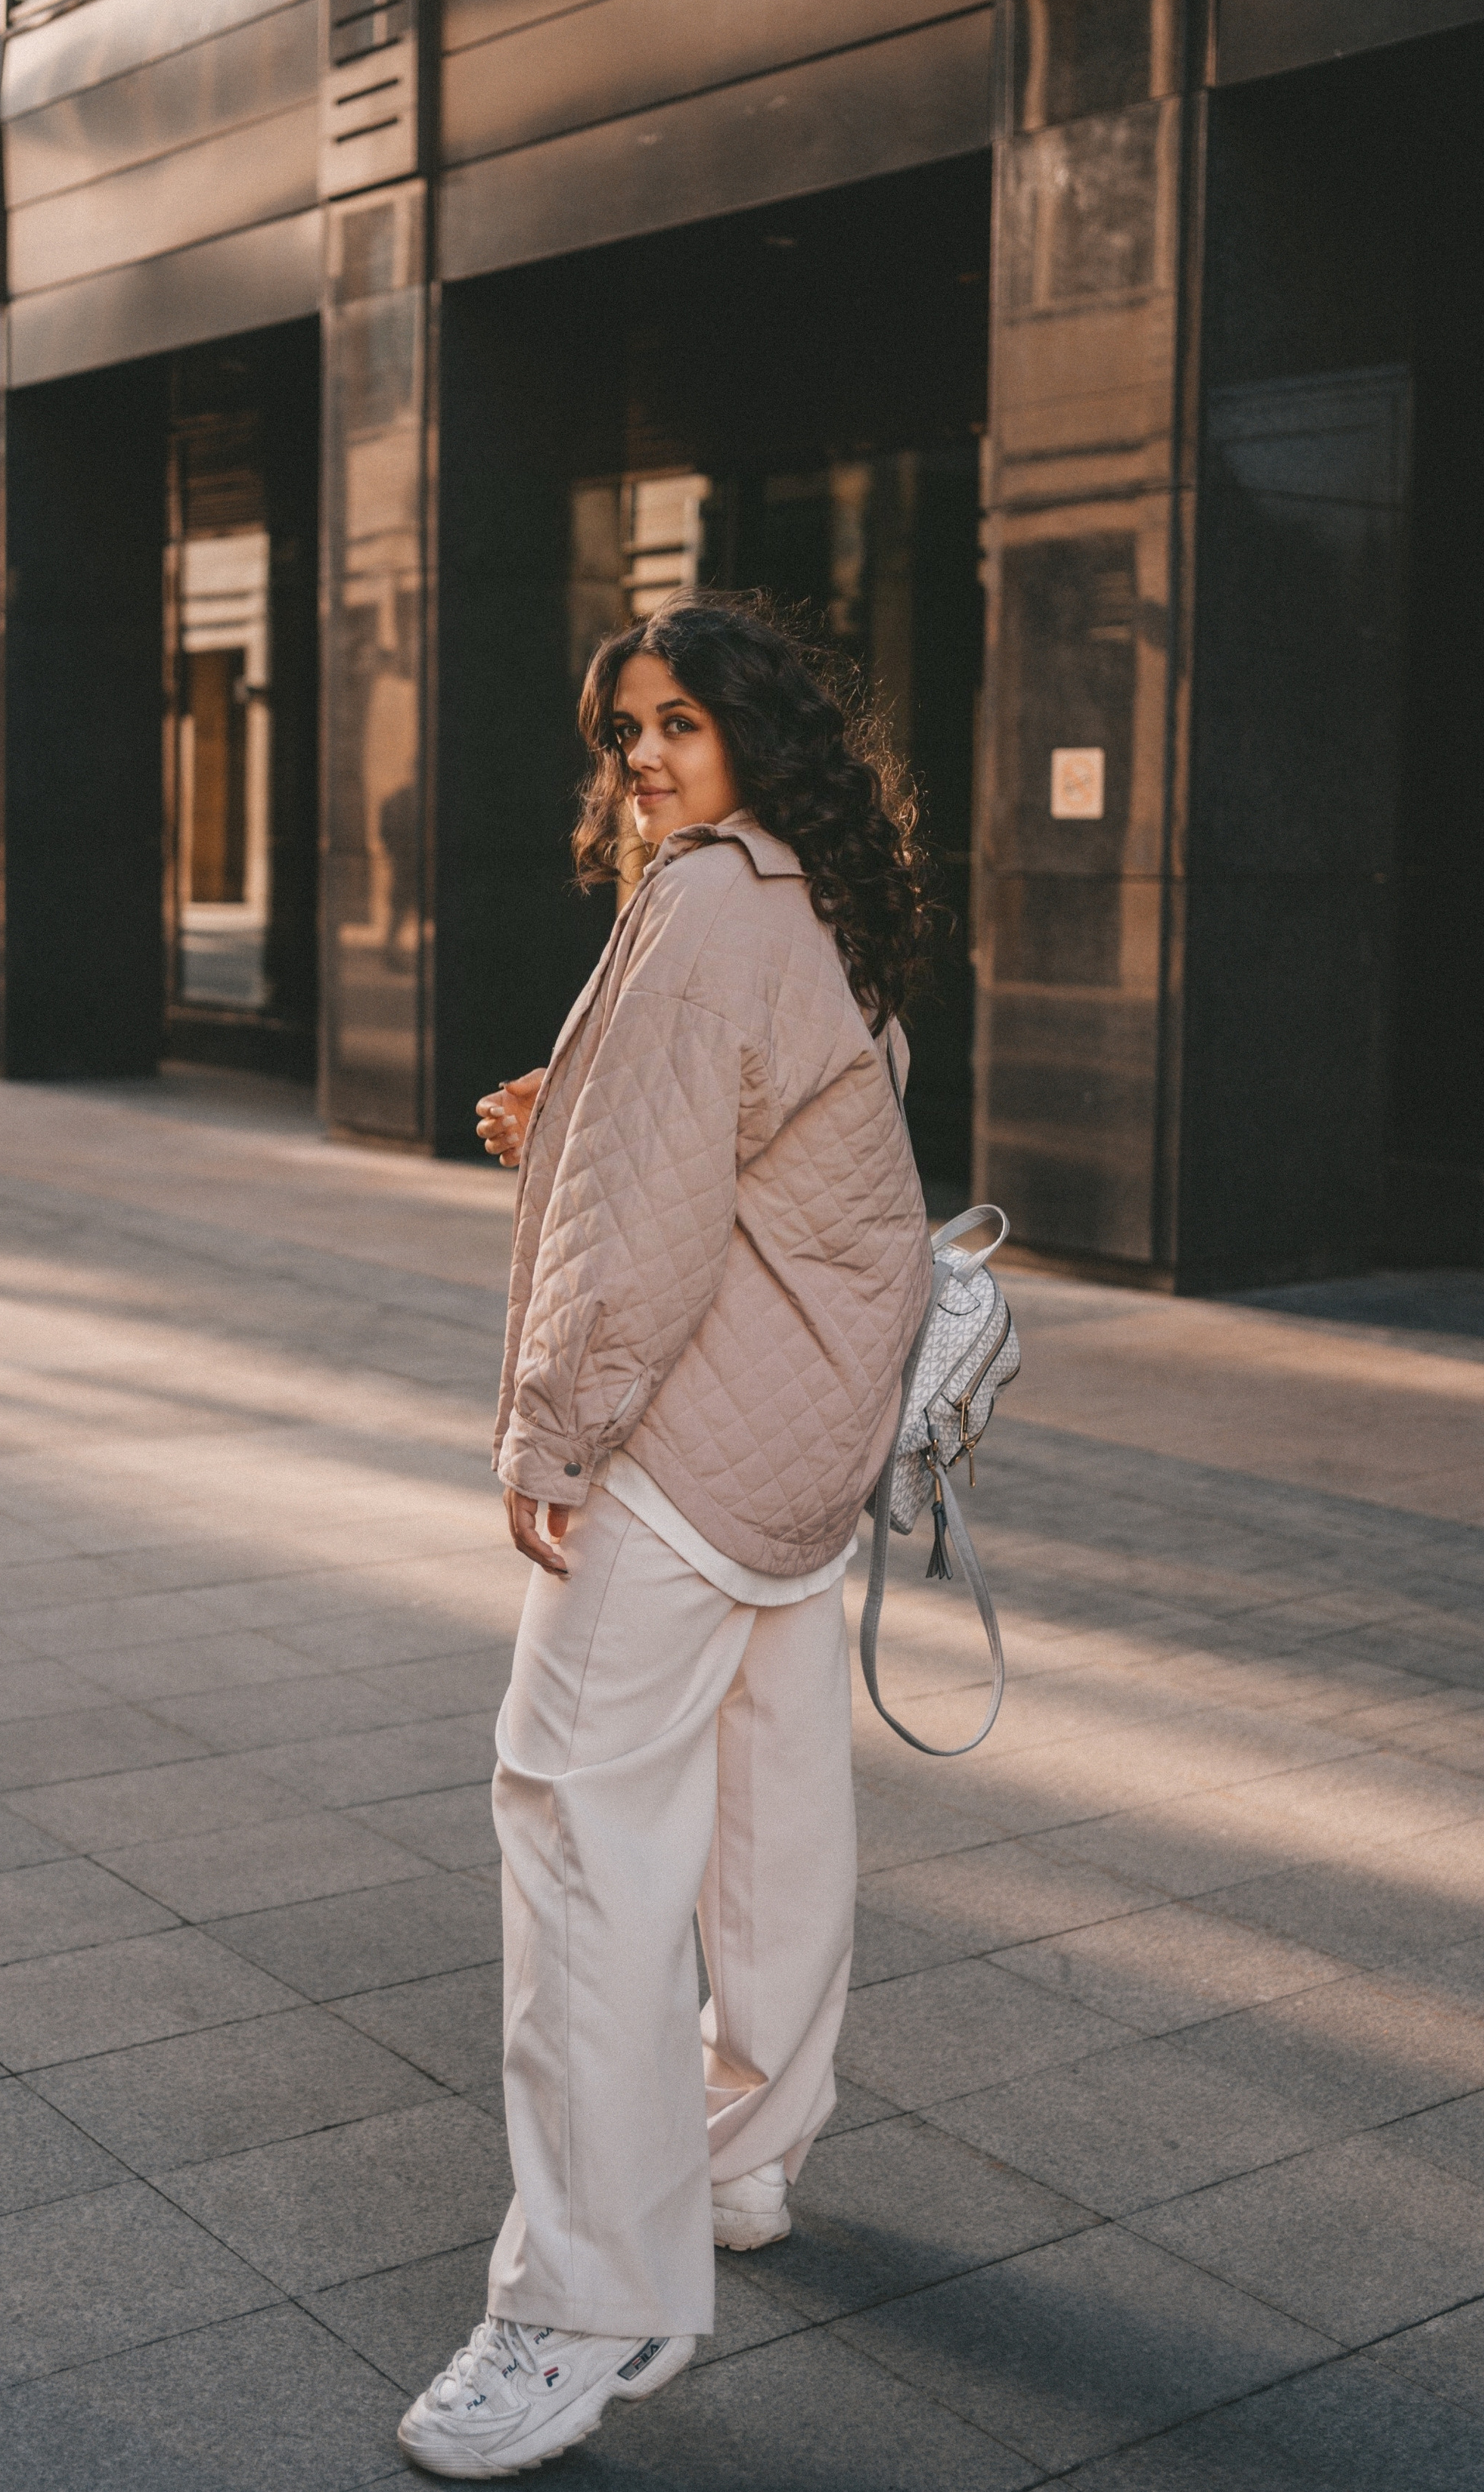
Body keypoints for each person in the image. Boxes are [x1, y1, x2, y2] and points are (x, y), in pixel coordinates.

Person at [396, 595, 934, 2480]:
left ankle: (578, 2302)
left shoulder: (706, 902)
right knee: (772, 1806)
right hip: (804, 1440)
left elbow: (641, 1230)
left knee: (571, 1823)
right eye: (622, 725)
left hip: (690, 1443)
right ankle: (742, 2159)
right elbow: (780, 1128)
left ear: (750, 741)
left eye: (679, 722)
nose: (638, 755)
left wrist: (552, 1429)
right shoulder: (802, 895)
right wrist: (574, 1114)